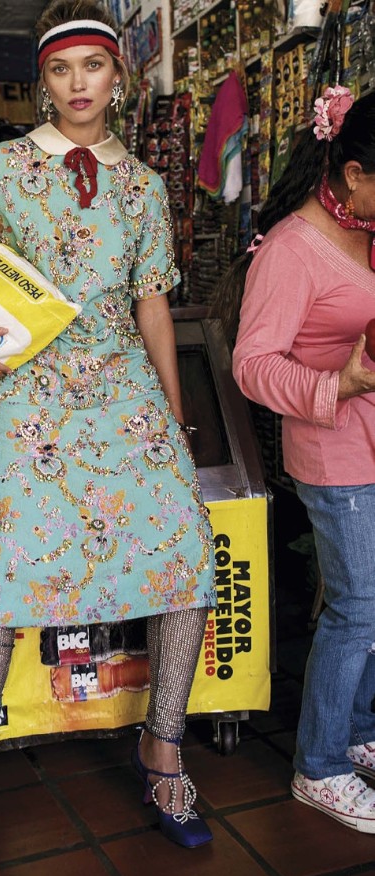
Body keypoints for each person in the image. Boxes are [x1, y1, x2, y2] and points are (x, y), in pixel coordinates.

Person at [0, 1, 216, 876]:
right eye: (60, 71)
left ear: (119, 75)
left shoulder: (146, 185)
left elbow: (151, 300)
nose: (78, 86)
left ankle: (162, 756)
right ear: (42, 80)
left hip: (126, 399)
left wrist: (175, 416)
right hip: (27, 399)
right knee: (2, 579)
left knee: (188, 555)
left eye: (94, 68)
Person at [222, 86, 375, 834]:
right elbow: (252, 365)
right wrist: (336, 381)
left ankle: (359, 729)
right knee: (356, 607)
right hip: (333, 447)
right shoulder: (291, 249)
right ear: (352, 174)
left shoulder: (370, 229)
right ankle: (319, 765)